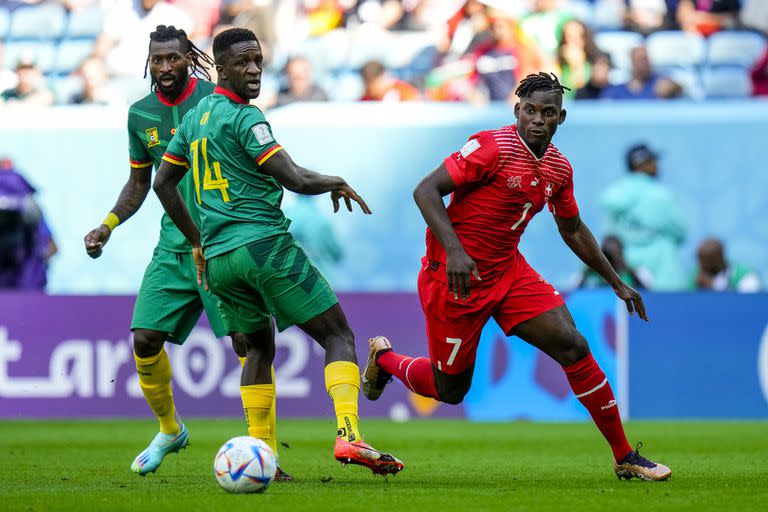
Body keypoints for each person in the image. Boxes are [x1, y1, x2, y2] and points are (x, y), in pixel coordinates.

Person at [361, 72, 670, 481]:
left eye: (547, 112)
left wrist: (616, 281)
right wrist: (454, 250)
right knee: (449, 391)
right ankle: (384, 359)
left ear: (561, 117)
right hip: (454, 278)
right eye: (529, 110)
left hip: (508, 273)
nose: (537, 119)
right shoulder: (490, 147)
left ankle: (624, 455)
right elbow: (425, 190)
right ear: (517, 110)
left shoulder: (559, 168)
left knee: (573, 344)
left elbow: (572, 228)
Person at [152, 27, 404, 476]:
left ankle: (261, 457)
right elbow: (294, 178)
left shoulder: (192, 119)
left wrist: (196, 240)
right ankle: (349, 436)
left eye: (258, 62)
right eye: (243, 63)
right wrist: (335, 180)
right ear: (219, 68)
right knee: (338, 336)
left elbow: (164, 183)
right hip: (263, 246)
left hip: (220, 259)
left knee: (258, 350)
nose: (253, 71)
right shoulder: (247, 119)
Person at [82, 25, 291, 481]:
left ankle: (266, 454)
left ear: (190, 59)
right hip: (176, 246)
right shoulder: (140, 115)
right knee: (143, 340)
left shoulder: (215, 101)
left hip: (221, 242)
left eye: (173, 59)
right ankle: (170, 429)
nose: (164, 68)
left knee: (249, 343)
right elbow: (141, 183)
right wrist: (108, 224)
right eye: (156, 60)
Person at [601, 144, 687, 291]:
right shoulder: (660, 195)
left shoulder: (614, 194)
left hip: (624, 266)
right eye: (653, 161)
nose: (657, 166)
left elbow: (610, 234)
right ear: (641, 164)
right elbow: (680, 232)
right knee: (666, 310)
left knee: (626, 310)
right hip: (662, 267)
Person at [600, 46, 681, 100]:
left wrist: (672, 87)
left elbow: (677, 88)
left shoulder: (658, 84)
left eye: (646, 59)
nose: (645, 63)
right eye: (640, 60)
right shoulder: (617, 90)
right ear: (632, 62)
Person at [578, 235, 651, 290]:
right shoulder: (592, 275)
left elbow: (648, 292)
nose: (612, 259)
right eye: (608, 255)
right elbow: (572, 292)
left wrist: (629, 270)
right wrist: (590, 267)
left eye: (616, 253)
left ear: (621, 253)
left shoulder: (633, 273)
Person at [690, 238, 762, 292]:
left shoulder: (744, 275)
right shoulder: (696, 276)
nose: (702, 265)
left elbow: (750, 302)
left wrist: (714, 287)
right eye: (700, 260)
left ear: (719, 258)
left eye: (708, 260)